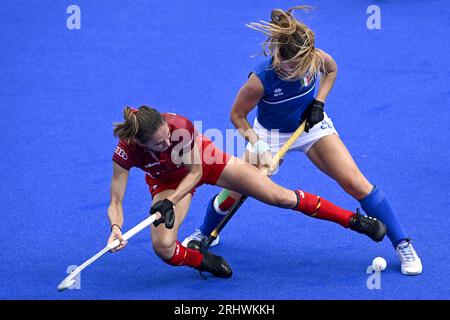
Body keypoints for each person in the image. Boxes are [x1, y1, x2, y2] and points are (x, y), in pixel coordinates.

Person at [183, 6, 422, 276]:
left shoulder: (314, 59)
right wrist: (260, 148)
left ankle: (402, 242)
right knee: (235, 189)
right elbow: (237, 116)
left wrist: (318, 103)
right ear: (277, 53)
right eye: (284, 63)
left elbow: (331, 71)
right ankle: (205, 234)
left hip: (311, 126)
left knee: (356, 183)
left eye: (295, 65)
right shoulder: (260, 79)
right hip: (269, 135)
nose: (288, 69)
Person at [107, 106, 386, 278]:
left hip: (206, 162)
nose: (168, 141)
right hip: (165, 184)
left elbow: (195, 173)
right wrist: (116, 228)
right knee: (163, 247)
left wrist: (172, 201)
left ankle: (353, 220)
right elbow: (116, 200)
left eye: (167, 134)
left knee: (281, 198)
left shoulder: (180, 125)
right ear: (140, 143)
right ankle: (203, 261)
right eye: (159, 143)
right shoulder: (126, 151)